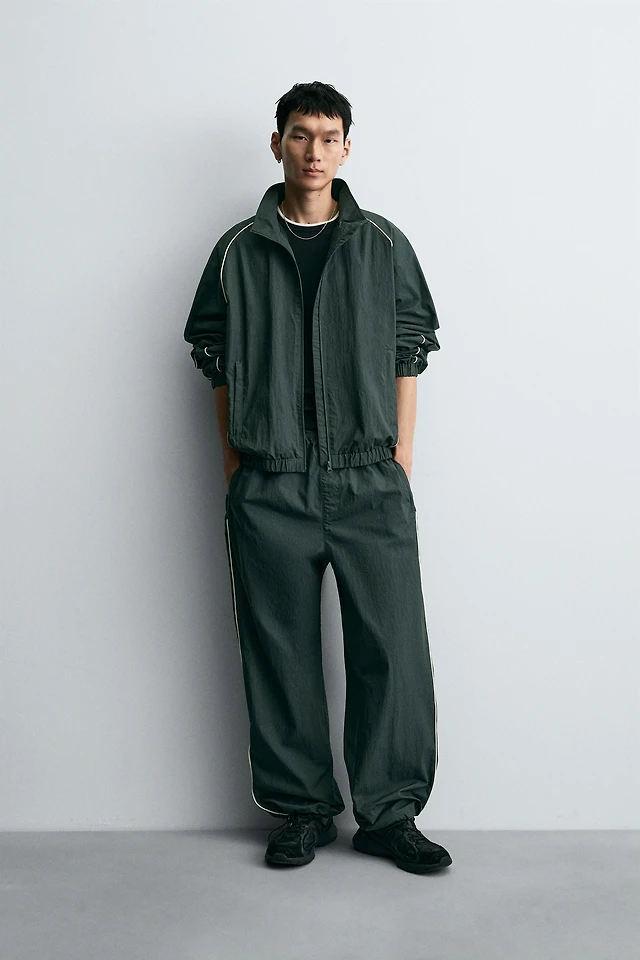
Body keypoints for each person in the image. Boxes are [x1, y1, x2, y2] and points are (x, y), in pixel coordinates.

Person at [184, 81, 452, 874]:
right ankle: (301, 809)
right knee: (280, 652)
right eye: (300, 135)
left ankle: (390, 814)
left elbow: (410, 346)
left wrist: (400, 458)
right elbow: (212, 352)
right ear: (277, 144)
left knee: (392, 651)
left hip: (369, 476)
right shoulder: (238, 248)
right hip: (271, 481)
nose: (314, 151)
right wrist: (235, 462)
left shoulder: (382, 243)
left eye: (329, 137)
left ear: (347, 148)